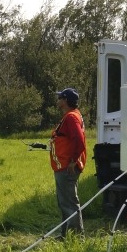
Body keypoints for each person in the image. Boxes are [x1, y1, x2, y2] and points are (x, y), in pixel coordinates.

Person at [49, 88, 87, 236]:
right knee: (64, 202)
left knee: (69, 203)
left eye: (60, 98)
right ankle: (66, 234)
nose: (58, 100)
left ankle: (76, 238)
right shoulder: (72, 116)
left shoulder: (71, 117)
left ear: (65, 101)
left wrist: (73, 160)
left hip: (67, 166)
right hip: (63, 165)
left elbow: (79, 139)